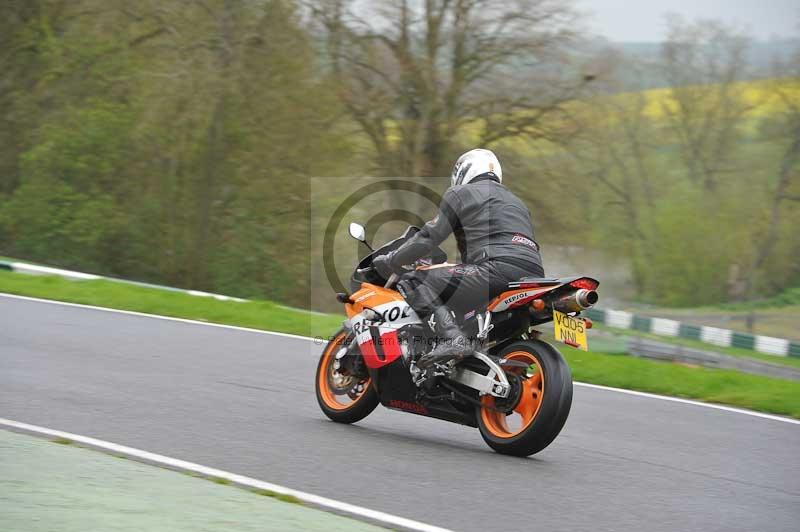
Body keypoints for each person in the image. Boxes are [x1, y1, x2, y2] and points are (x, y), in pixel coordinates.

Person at [372, 148, 545, 369]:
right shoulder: (517, 202)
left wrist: (392, 259)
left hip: (496, 269)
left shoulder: (461, 194)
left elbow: (428, 237)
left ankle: (453, 339)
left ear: (464, 171)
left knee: (418, 279)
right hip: (533, 275)